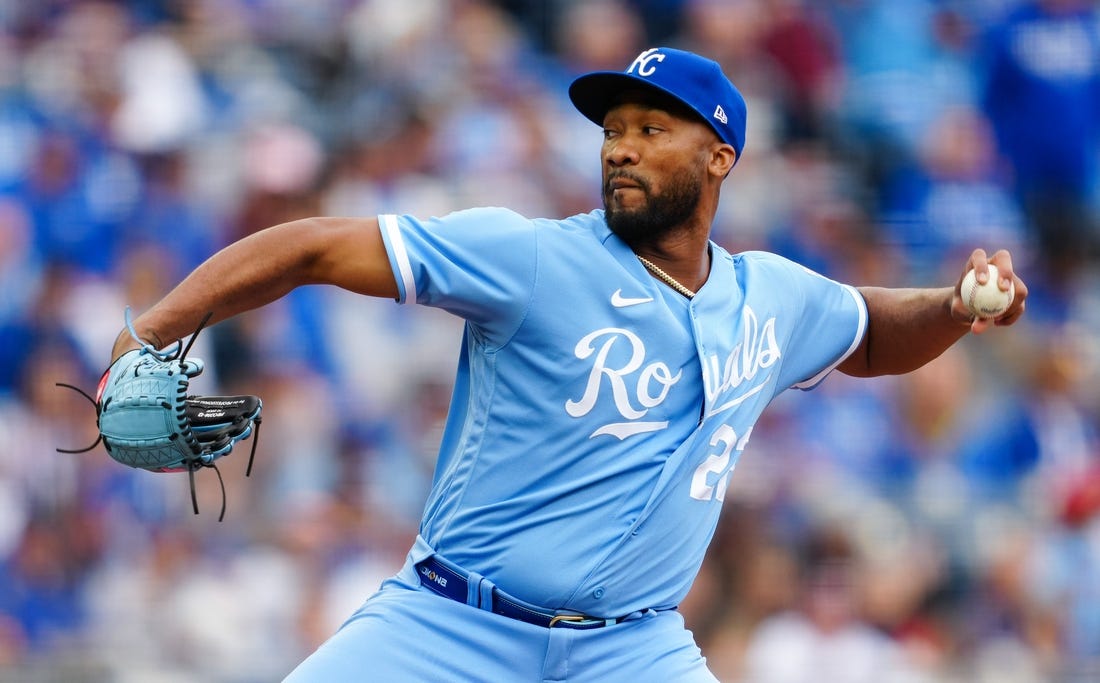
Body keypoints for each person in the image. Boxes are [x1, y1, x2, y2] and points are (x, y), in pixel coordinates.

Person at [107, 47, 1027, 681]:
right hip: (451, 623)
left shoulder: (772, 298)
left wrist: (951, 309)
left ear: (720, 156)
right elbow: (313, 246)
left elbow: (868, 331)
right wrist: (152, 331)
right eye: (612, 128)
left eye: (651, 129)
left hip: (632, 649)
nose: (620, 146)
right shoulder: (534, 258)